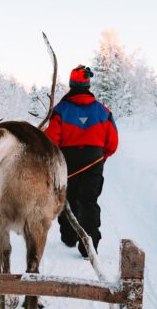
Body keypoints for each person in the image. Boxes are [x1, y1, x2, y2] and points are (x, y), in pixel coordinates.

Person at [44, 65, 118, 257]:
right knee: (89, 202)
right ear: (88, 85)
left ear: (71, 84)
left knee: (67, 200)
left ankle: (69, 237)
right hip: (93, 163)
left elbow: (50, 142)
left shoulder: (60, 110)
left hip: (67, 165)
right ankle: (89, 247)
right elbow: (113, 143)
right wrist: (100, 158)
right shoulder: (103, 111)